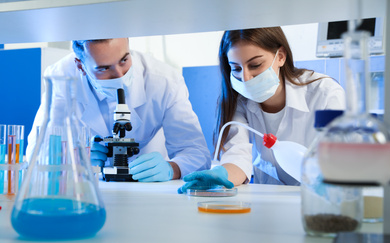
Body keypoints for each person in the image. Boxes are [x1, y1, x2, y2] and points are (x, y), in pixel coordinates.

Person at [178, 27, 345, 192]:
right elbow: (238, 157)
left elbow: (342, 161)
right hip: (267, 201)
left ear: (280, 56)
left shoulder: (325, 93)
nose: (245, 78)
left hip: (318, 199)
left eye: (255, 65)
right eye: (236, 68)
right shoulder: (239, 101)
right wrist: (221, 175)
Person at [27, 38, 211, 182]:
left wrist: (173, 168)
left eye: (124, 60)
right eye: (104, 68)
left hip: (147, 189)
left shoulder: (164, 81)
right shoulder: (61, 79)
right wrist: (73, 159)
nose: (119, 76)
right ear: (80, 65)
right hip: (88, 188)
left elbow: (196, 153)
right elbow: (36, 153)